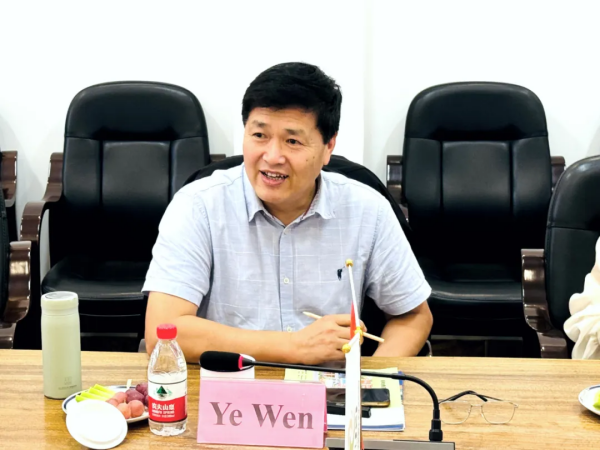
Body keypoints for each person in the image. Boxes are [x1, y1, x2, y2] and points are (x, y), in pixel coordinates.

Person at [143, 62, 433, 364]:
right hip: (229, 387)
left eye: (292, 141)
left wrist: (372, 379)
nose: (272, 157)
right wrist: (294, 346)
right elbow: (163, 331)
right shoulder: (198, 206)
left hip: (330, 388)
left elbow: (413, 316)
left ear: (328, 146)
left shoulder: (367, 210)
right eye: (259, 135)